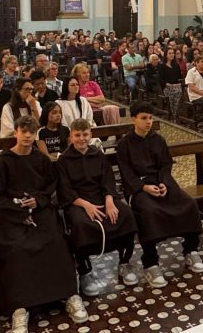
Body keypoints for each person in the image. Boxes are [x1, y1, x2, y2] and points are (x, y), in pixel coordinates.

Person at [0, 116, 88, 332]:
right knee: (16, 249)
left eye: (31, 132)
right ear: (15, 132)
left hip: (41, 211)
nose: (27, 136)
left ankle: (69, 295)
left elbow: (50, 186)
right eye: (23, 131)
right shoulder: (4, 161)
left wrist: (38, 200)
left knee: (56, 241)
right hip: (12, 216)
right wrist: (19, 211)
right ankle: (19, 307)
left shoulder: (41, 159)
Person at [114, 102, 203, 288]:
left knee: (188, 205)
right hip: (138, 187)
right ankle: (151, 262)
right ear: (134, 119)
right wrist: (144, 187)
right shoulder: (124, 144)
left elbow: (165, 165)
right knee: (149, 212)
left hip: (162, 182)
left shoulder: (158, 139)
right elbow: (126, 173)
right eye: (144, 118)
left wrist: (163, 182)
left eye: (150, 118)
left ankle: (190, 250)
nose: (148, 122)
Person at [56, 118, 139, 297]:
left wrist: (109, 200)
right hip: (78, 202)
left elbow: (107, 179)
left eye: (85, 134)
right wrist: (86, 205)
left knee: (126, 214)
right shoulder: (63, 160)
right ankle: (85, 271)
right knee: (80, 224)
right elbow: (65, 189)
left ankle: (124, 262)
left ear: (90, 134)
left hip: (102, 197)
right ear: (71, 136)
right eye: (77, 135)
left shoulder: (98, 155)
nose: (82, 139)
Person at [159, 52, 184, 120]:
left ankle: (175, 114)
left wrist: (178, 83)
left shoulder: (176, 65)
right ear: (166, 55)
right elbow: (161, 79)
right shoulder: (162, 66)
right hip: (167, 87)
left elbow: (179, 77)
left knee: (179, 91)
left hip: (176, 86)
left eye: (173, 53)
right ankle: (174, 114)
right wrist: (168, 84)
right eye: (169, 53)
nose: (172, 54)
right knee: (175, 91)